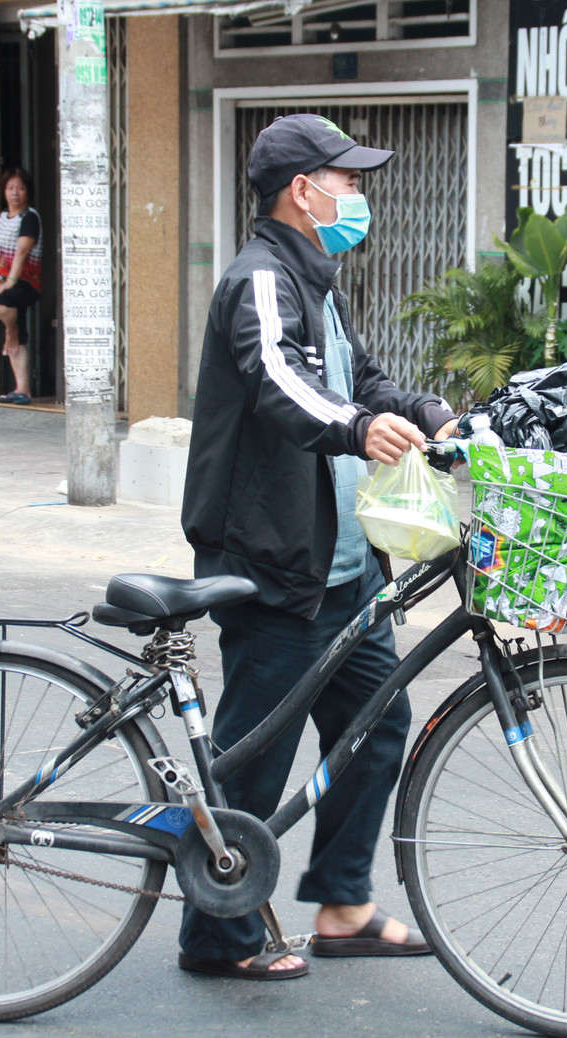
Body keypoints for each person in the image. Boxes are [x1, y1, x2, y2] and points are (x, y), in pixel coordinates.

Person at [178, 114, 458, 981]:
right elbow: (280, 382)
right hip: (274, 567)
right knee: (256, 759)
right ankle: (217, 939)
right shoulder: (259, 277)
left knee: (377, 728)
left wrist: (424, 411)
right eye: (350, 180)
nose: (359, 196)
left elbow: (355, 376)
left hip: (342, 566)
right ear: (305, 191)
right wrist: (358, 425)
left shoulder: (318, 281)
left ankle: (342, 906)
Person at [0, 167, 42, 405]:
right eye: (11, 188)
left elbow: (22, 251)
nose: (15, 193)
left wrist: (10, 281)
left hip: (25, 282)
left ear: (28, 192)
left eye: (20, 188)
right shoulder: (3, 218)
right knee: (17, 342)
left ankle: (11, 330)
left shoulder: (29, 217)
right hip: (5, 283)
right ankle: (22, 390)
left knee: (1, 306)